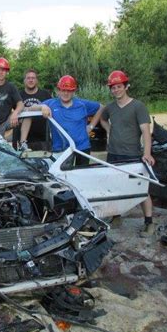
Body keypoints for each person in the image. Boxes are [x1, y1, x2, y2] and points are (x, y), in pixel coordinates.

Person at [100, 70, 156, 236]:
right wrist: (109, 130)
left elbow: (146, 131)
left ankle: (149, 222)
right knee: (114, 187)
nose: (116, 90)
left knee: (140, 189)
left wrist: (147, 153)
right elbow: (103, 118)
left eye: (119, 86)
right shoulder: (110, 107)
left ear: (126, 86)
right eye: (113, 87)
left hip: (132, 155)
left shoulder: (138, 106)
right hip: (113, 154)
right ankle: (116, 216)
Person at [33, 75, 104, 165]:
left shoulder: (82, 104)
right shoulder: (51, 103)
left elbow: (101, 107)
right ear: (58, 90)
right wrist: (42, 106)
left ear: (74, 91)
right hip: (61, 149)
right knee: (62, 176)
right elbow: (30, 108)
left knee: (81, 175)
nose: (66, 93)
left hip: (82, 147)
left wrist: (91, 126)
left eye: (69, 90)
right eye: (63, 90)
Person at [17, 69, 52, 151]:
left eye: (33, 78)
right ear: (24, 80)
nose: (31, 80)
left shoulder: (45, 94)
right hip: (24, 140)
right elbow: (14, 113)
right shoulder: (18, 95)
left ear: (37, 80)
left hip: (44, 139)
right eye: (28, 78)